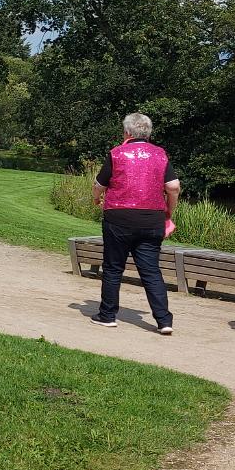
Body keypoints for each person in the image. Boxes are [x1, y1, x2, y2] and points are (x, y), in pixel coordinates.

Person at [90, 112, 180, 335]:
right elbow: (173, 187)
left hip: (118, 218)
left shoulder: (116, 153)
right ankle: (164, 321)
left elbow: (100, 184)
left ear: (127, 132)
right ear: (148, 133)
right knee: (151, 271)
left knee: (113, 268)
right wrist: (169, 210)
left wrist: (96, 198)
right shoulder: (160, 154)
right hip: (152, 220)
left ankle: (107, 315)